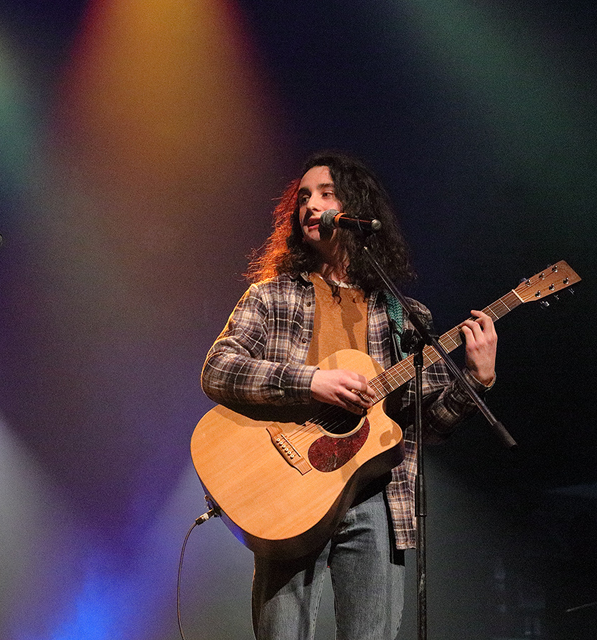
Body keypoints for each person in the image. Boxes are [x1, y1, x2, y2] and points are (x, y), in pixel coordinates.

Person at [200, 151, 498, 639]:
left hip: (376, 496)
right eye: (303, 197)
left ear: (356, 207)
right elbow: (218, 369)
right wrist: (311, 380)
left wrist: (475, 380)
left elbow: (431, 427)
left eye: (326, 194)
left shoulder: (405, 314)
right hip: (289, 492)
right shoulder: (271, 296)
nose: (310, 206)